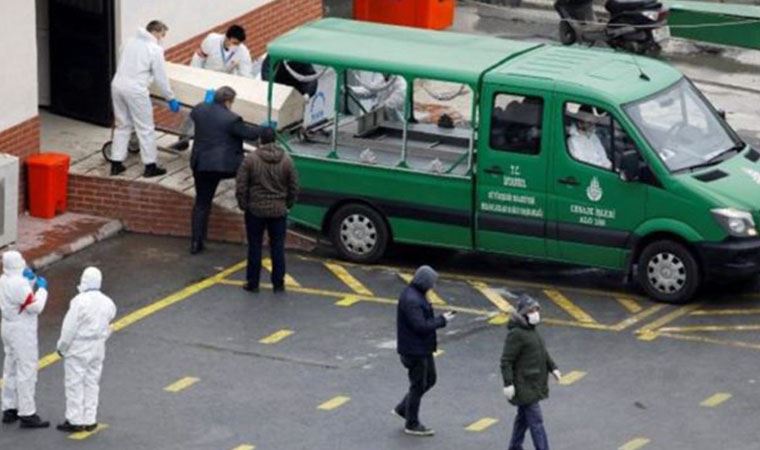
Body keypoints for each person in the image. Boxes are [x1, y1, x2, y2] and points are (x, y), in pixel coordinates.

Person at [189, 86, 264, 254]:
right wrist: (264, 128)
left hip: (200, 163)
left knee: (201, 203)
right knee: (250, 176)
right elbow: (249, 134)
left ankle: (196, 242)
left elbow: (195, 116)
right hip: (223, 166)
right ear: (228, 101)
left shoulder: (199, 109)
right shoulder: (232, 119)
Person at [110, 20, 178, 178]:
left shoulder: (129, 41)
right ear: (156, 32)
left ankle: (116, 163)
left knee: (122, 125)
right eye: (162, 35)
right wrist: (170, 97)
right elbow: (160, 77)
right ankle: (150, 166)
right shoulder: (154, 49)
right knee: (145, 128)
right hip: (136, 90)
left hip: (118, 85)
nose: (162, 38)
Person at [393, 265, 455, 437]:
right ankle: (411, 423)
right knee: (418, 385)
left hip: (422, 348)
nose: (433, 286)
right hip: (414, 351)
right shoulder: (412, 300)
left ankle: (404, 408)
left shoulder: (416, 294)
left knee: (430, 379)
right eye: (432, 282)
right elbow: (420, 326)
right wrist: (442, 320)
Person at [235, 127, 299, 293]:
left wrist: (244, 204)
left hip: (255, 210)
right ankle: (278, 283)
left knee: (255, 246)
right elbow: (294, 186)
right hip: (278, 210)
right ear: (275, 140)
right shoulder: (286, 160)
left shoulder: (250, 160)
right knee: (277, 247)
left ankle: (252, 282)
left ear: (259, 141)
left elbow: (241, 185)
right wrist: (288, 204)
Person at [56, 267, 117, 433]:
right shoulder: (108, 302)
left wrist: (62, 347)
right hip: (98, 347)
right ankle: (90, 419)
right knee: (92, 382)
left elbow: (69, 329)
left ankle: (75, 420)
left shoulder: (79, 301)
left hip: (79, 347)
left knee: (74, 383)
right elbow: (109, 323)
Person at [501, 295, 561, 450]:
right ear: (524, 313)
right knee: (536, 422)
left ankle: (514, 447)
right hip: (525, 386)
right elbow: (506, 361)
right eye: (532, 310)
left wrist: (553, 367)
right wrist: (508, 384)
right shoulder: (517, 334)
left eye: (536, 310)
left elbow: (542, 352)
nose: (536, 313)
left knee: (523, 419)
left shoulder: (531, 330)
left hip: (533, 384)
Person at [0, 251, 50, 429]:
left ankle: (9, 408)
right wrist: (42, 289)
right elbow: (35, 307)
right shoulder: (19, 283)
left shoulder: (4, 280)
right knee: (27, 369)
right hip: (22, 330)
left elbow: (20, 299)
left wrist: (30, 282)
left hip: (7, 326)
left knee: (10, 367)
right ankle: (27, 413)